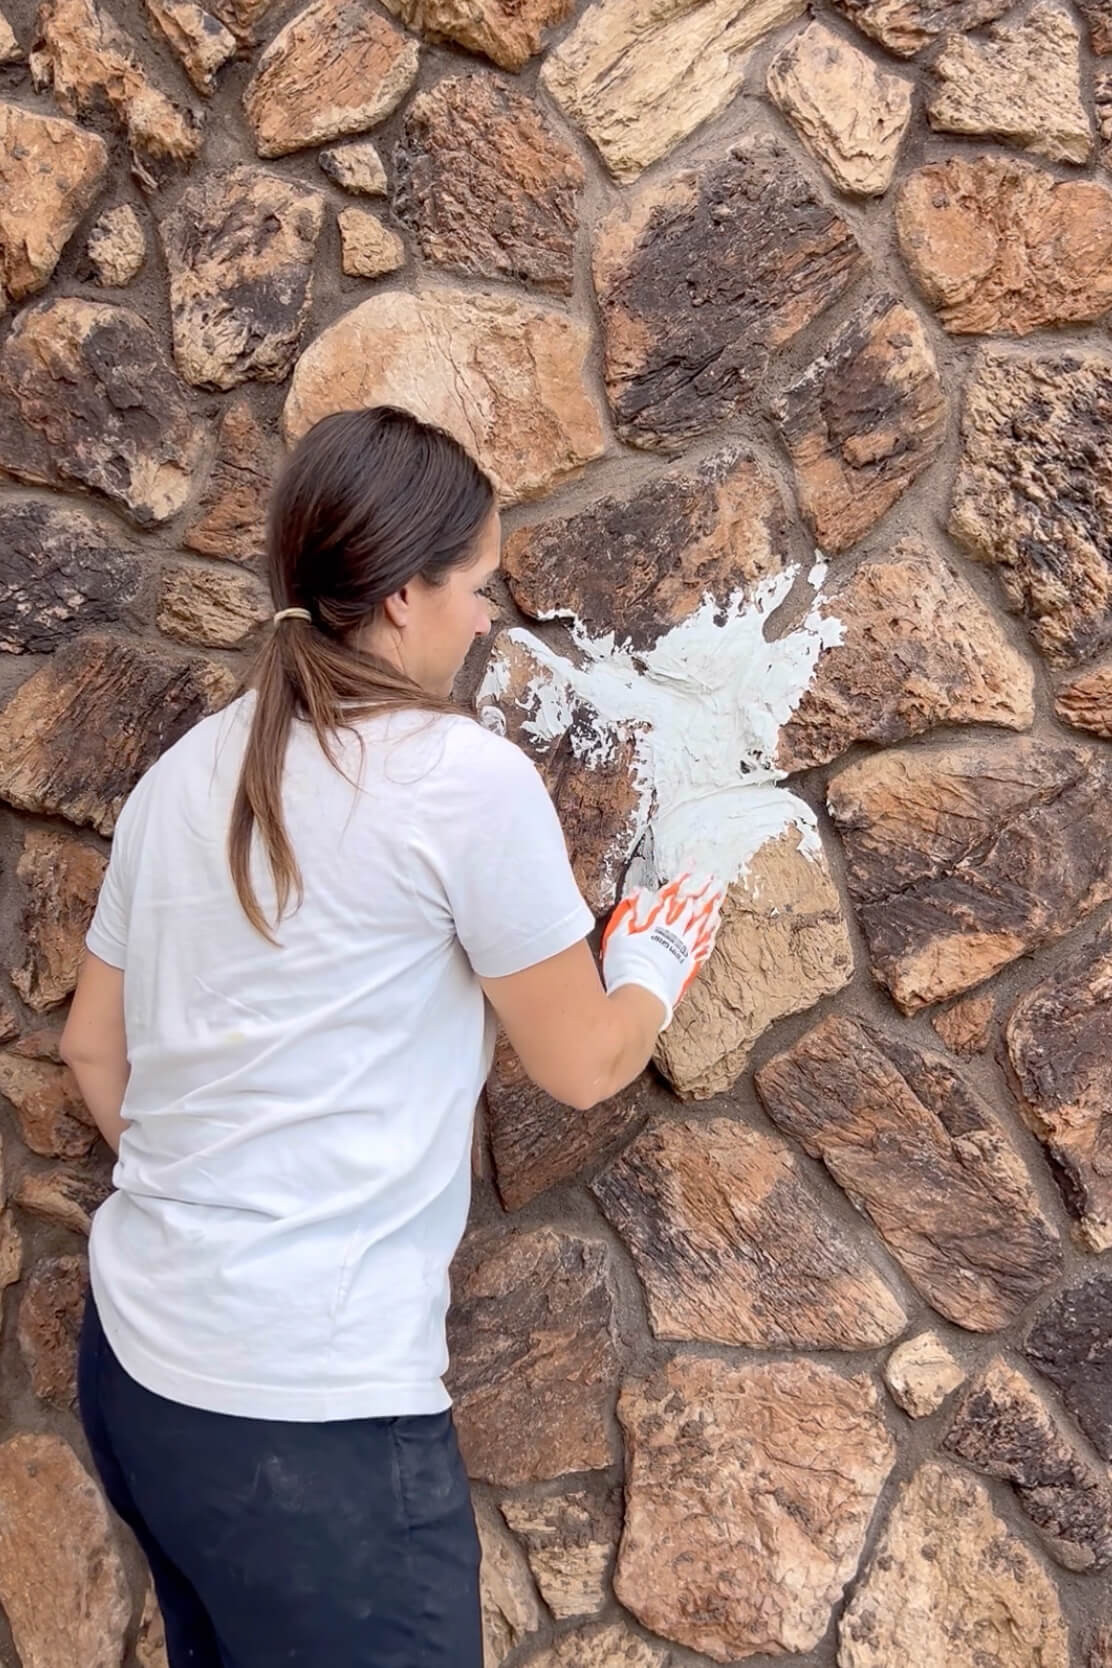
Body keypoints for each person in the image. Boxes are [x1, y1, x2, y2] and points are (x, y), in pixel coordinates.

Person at [61, 405, 724, 1668]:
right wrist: (648, 961)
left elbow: (94, 1052)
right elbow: (582, 1062)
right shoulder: (458, 783)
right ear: (404, 593)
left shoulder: (179, 779)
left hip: (140, 1375)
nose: (489, 618)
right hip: (312, 1431)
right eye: (478, 585)